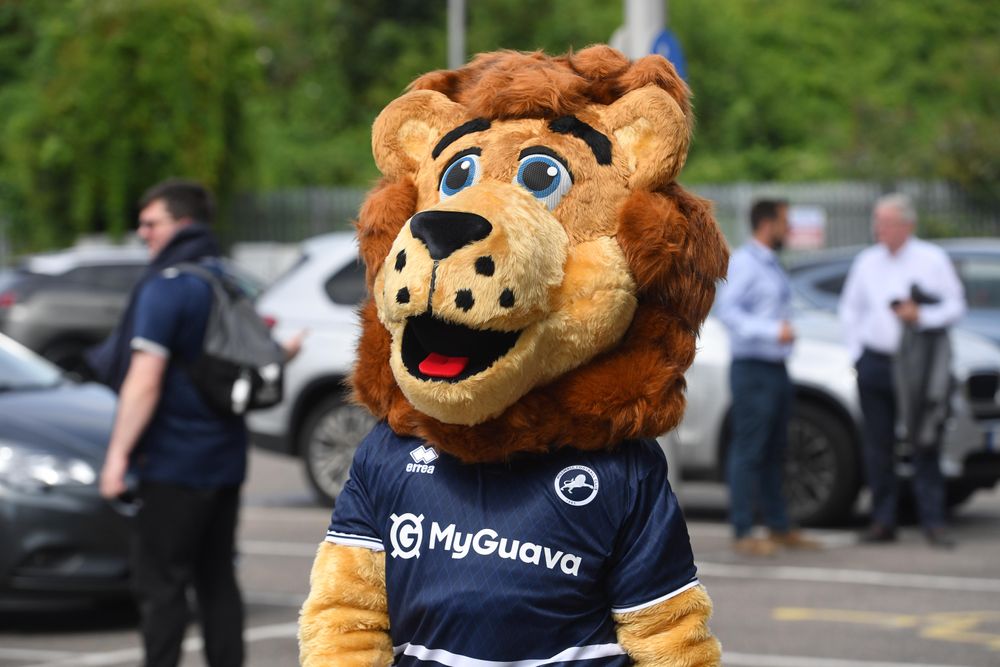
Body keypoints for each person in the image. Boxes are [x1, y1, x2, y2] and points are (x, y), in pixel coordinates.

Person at [96, 179, 301, 667]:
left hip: (172, 464)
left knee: (161, 586)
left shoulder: (168, 287)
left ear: (181, 223)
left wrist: (116, 457)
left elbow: (144, 380)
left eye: (151, 223)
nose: (141, 232)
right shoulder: (226, 279)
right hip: (225, 462)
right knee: (217, 581)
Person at [838, 193, 965, 548]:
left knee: (924, 439)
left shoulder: (932, 259)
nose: (880, 229)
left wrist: (921, 316)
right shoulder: (867, 261)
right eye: (877, 222)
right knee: (878, 445)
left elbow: (956, 306)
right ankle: (883, 520)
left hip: (917, 366)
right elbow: (850, 310)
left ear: (907, 225)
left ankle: (933, 520)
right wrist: (858, 353)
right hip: (876, 362)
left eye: (887, 223)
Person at [717, 199, 820, 556]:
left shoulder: (772, 264)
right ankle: (743, 529)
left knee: (777, 449)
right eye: (784, 222)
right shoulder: (746, 263)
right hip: (753, 368)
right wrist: (771, 331)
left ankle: (778, 525)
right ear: (767, 224)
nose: (788, 229)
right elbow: (728, 310)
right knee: (749, 449)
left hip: (775, 369)